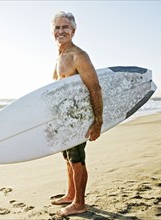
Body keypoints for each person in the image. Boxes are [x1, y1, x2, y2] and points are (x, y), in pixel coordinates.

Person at [50, 11, 103, 216]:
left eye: (65, 27)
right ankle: (71, 194)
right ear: (52, 31)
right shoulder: (60, 56)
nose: (61, 31)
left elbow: (95, 88)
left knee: (77, 158)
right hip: (65, 118)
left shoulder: (77, 56)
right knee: (67, 156)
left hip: (78, 117)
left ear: (73, 30)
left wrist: (98, 121)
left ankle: (79, 203)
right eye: (57, 27)